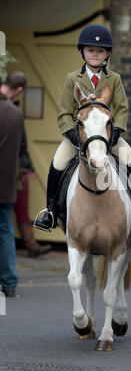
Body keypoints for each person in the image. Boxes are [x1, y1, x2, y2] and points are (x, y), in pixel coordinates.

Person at [33, 24, 131, 232]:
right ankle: (51, 211)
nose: (95, 54)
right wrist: (73, 135)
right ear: (82, 51)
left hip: (107, 135)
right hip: (80, 135)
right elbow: (64, 113)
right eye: (91, 50)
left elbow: (122, 109)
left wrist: (117, 130)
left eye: (100, 51)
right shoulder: (73, 78)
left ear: (107, 54)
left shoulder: (114, 79)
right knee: (57, 164)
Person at [0, 72, 52, 257]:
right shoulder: (13, 112)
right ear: (20, 90)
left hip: (14, 170)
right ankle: (28, 248)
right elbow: (22, 145)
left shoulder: (12, 109)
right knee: (7, 224)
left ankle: (31, 244)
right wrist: (26, 166)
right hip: (12, 172)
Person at [0, 84, 25, 297]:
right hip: (6, 183)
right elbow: (23, 148)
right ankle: (9, 283)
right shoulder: (15, 113)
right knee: (6, 231)